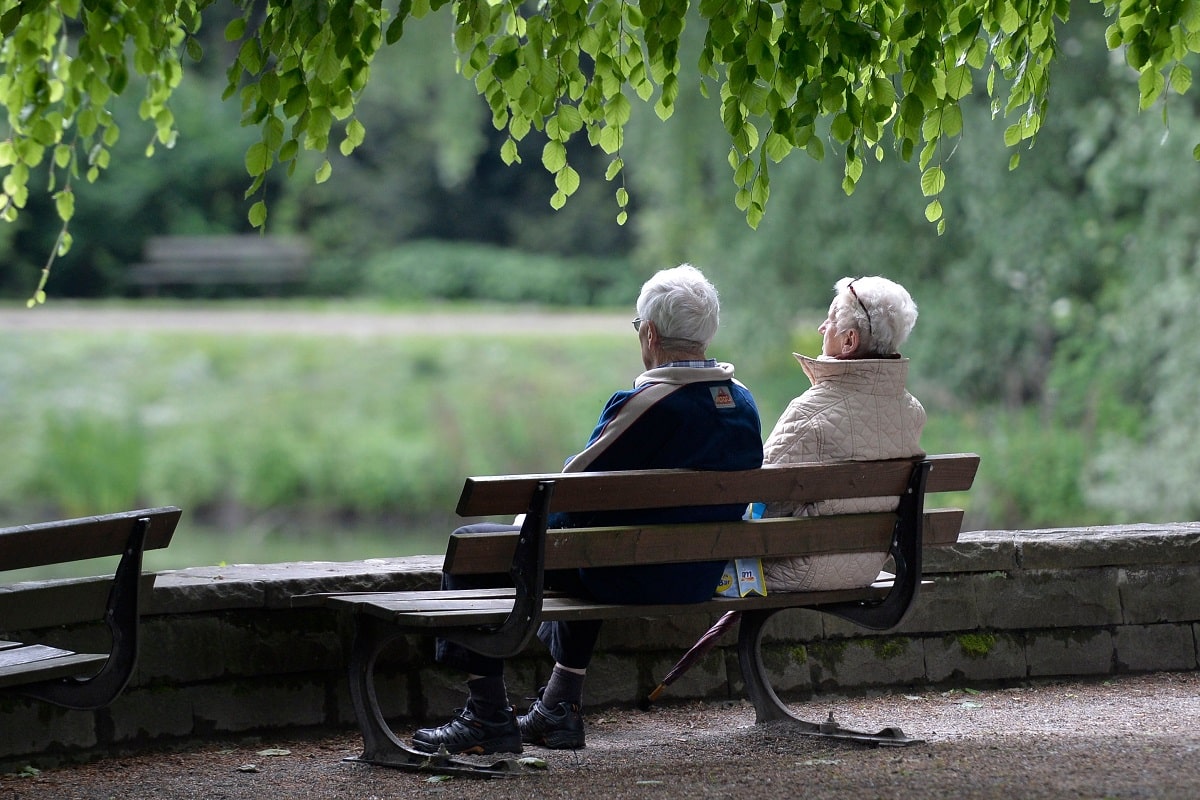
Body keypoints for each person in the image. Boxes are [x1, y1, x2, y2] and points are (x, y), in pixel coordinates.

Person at [411, 263, 764, 755]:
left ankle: (487, 714)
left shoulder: (649, 404)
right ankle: (559, 706)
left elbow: (566, 488)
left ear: (652, 334)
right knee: (592, 540)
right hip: (698, 575)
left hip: (634, 575)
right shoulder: (742, 404)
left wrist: (523, 532)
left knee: (480, 545)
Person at [760, 275, 925, 592]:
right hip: (864, 570)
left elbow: (760, 497)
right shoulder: (913, 412)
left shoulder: (811, 412)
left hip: (796, 569)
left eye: (830, 318)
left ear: (849, 341)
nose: (822, 328)